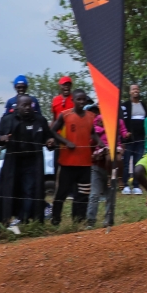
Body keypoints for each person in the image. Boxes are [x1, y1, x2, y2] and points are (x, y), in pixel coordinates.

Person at [0, 95, 57, 231]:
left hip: (33, 163)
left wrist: (50, 142)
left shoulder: (40, 120)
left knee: (30, 191)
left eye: (29, 105)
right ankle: (3, 223)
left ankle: (24, 220)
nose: (27, 108)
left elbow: (49, 138)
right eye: (24, 105)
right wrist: (2, 138)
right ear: (17, 106)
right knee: (9, 191)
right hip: (13, 163)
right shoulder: (8, 120)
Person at [49, 90, 96, 225]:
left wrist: (99, 143)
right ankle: (55, 219)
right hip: (67, 163)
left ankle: (78, 220)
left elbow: (93, 134)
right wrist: (65, 142)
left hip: (85, 163)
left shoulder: (91, 116)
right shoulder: (65, 115)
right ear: (73, 100)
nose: (81, 102)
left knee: (83, 193)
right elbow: (52, 131)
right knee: (62, 193)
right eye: (78, 99)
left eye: (84, 100)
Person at [88, 111, 129, 229]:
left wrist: (125, 139)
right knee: (94, 195)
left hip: (113, 167)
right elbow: (91, 140)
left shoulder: (117, 122)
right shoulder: (97, 123)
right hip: (97, 166)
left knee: (110, 195)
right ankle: (90, 222)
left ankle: (108, 221)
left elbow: (123, 133)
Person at [119, 84, 147, 194]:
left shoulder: (143, 105)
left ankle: (136, 186)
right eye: (133, 89)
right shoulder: (125, 105)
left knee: (138, 162)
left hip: (141, 140)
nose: (136, 90)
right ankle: (126, 185)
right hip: (128, 139)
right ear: (130, 92)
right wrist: (124, 135)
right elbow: (121, 121)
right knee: (126, 163)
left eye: (137, 89)